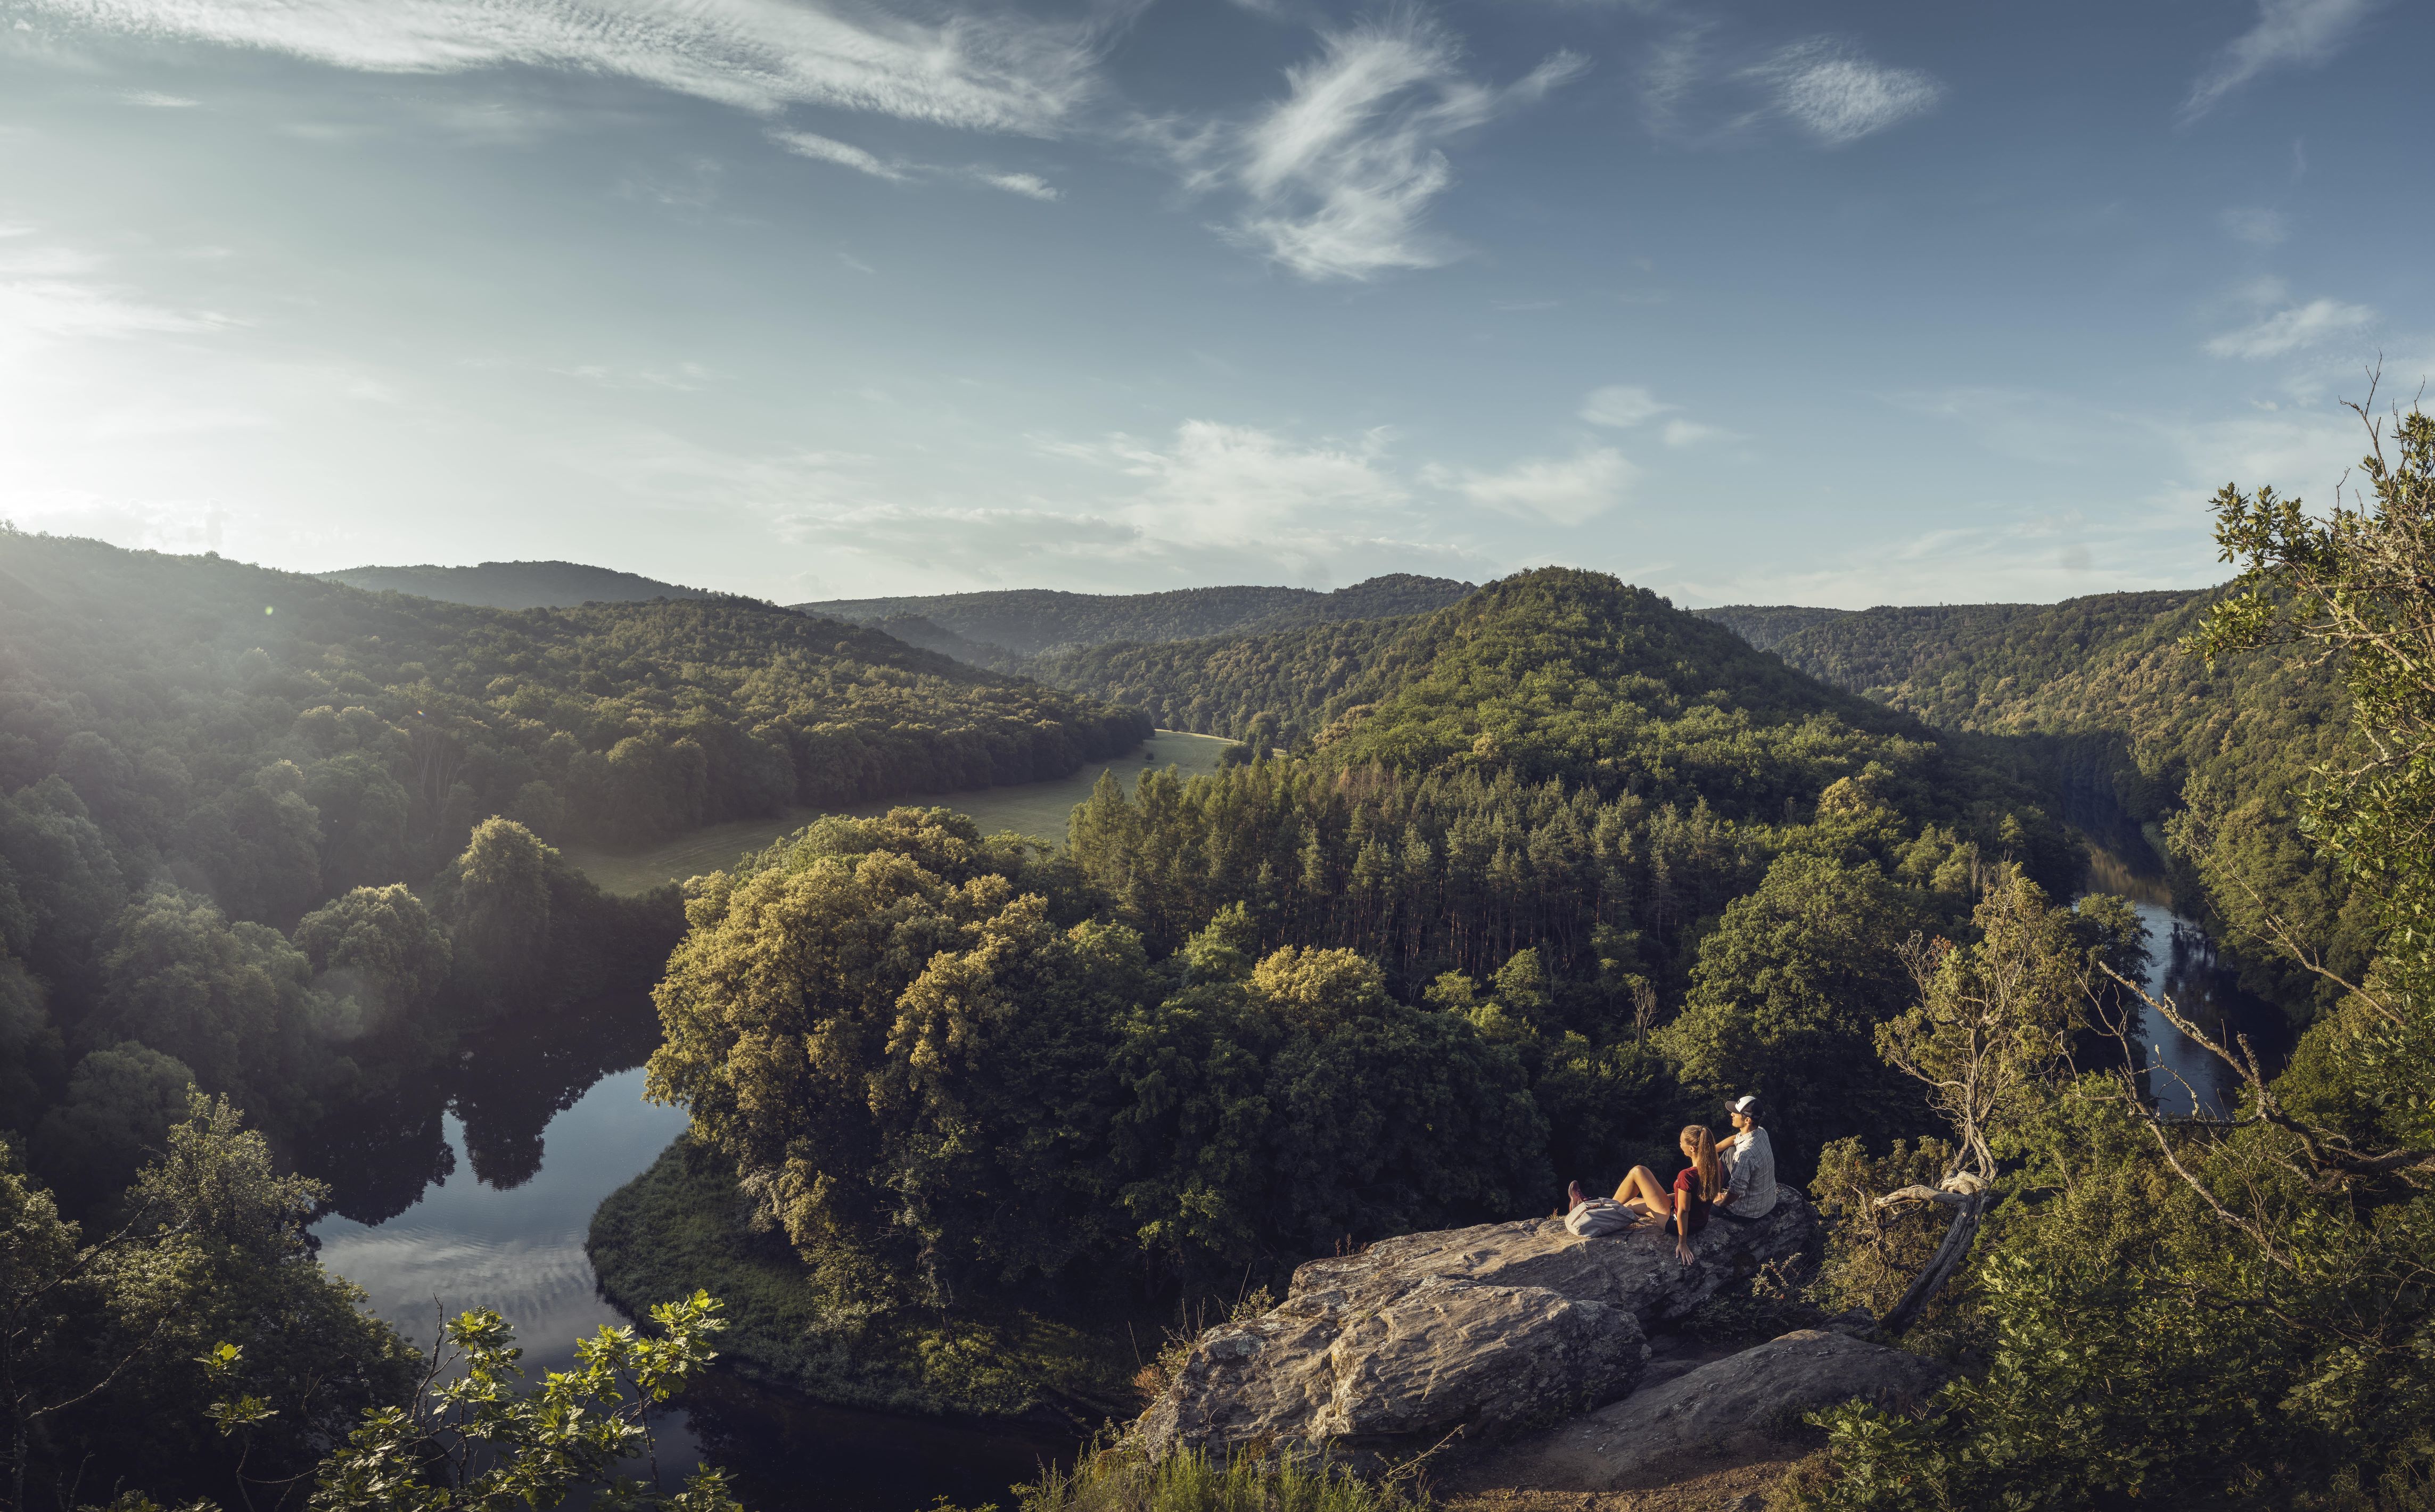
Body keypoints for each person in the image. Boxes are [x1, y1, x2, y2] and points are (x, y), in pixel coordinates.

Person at [1592, 1125, 1721, 1263]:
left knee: (1639, 1171)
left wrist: (1682, 1243)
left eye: (1681, 1142)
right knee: (1632, 1202)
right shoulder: (1715, 1167)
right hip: (1700, 1223)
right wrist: (1662, 1199)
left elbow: (1684, 1211)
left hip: (1675, 1224)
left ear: (1692, 1149)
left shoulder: (1687, 1175)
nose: (1680, 1144)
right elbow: (1693, 1198)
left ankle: (1602, 1210)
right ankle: (1605, 1207)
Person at [1713, 1094, 1779, 1220]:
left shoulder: (1744, 1154)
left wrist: (1721, 1202)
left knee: (1705, 1204)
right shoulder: (1761, 1132)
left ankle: (1712, 1192)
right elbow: (1735, 1139)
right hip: (1768, 1203)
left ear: (1748, 1120)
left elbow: (1736, 1191)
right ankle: (1714, 1188)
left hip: (1748, 1212)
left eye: (1735, 1113)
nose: (1731, 1115)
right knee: (1730, 1152)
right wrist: (1712, 1150)